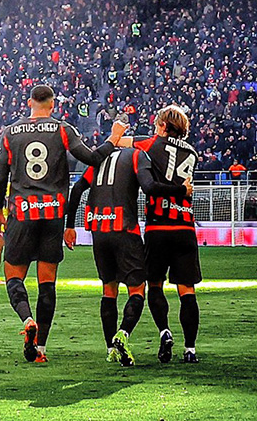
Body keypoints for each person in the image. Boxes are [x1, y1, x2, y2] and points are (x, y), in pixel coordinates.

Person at [0, 85, 127, 363]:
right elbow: (92, 158)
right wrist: (113, 138)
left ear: (29, 102)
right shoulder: (63, 129)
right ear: (53, 105)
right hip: (53, 214)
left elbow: (1, 174)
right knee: (47, 284)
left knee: (14, 276)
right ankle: (41, 349)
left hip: (22, 213)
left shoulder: (10, 132)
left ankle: (27, 320)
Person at [65, 146, 193, 366]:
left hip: (99, 231)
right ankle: (122, 334)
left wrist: (69, 226)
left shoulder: (100, 159)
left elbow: (77, 189)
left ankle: (110, 350)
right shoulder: (136, 155)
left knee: (109, 290)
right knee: (137, 290)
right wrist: (181, 190)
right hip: (124, 229)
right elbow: (149, 187)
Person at [117, 105, 201, 363]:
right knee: (187, 290)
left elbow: (119, 142)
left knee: (154, 284)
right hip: (184, 225)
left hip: (158, 226)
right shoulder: (192, 152)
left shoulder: (151, 142)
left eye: (157, 124)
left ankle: (165, 332)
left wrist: (119, 130)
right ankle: (190, 350)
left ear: (163, 126)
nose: (155, 127)